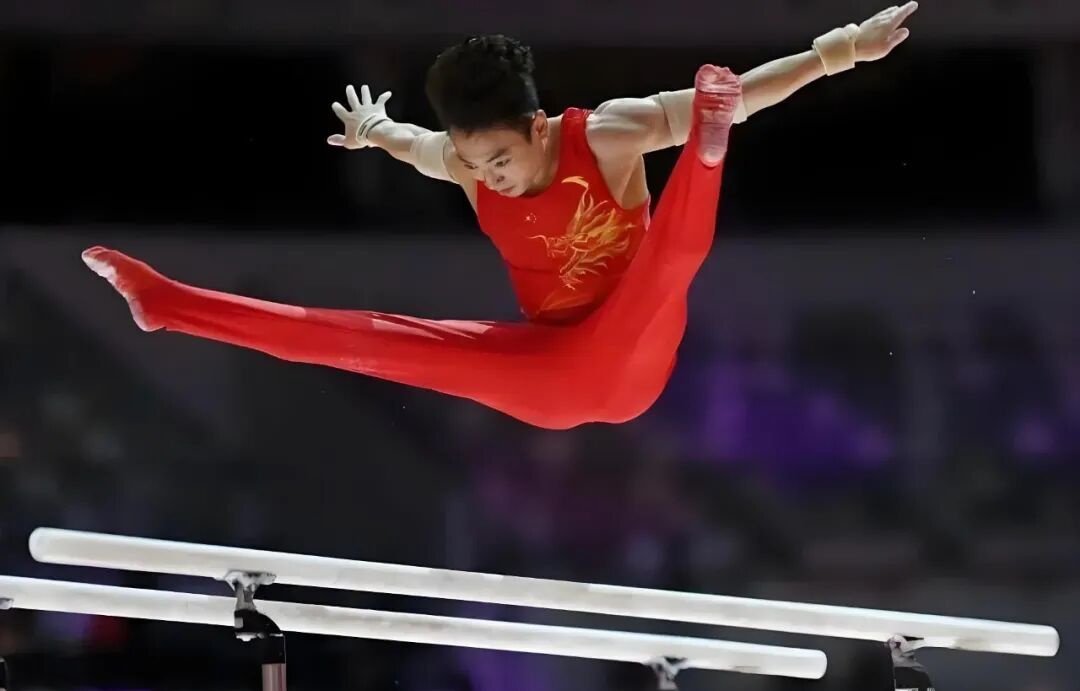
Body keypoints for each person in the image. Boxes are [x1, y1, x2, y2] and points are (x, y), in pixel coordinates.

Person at [83, 3, 919, 430]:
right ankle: (170, 306)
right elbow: (414, 143)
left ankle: (706, 148)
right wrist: (374, 130)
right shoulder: (462, 163)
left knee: (668, 264)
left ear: (538, 126)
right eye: (474, 162)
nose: (490, 177)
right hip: (547, 371)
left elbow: (756, 95)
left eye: (501, 159)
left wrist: (839, 50)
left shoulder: (608, 136)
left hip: (633, 355)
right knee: (369, 338)